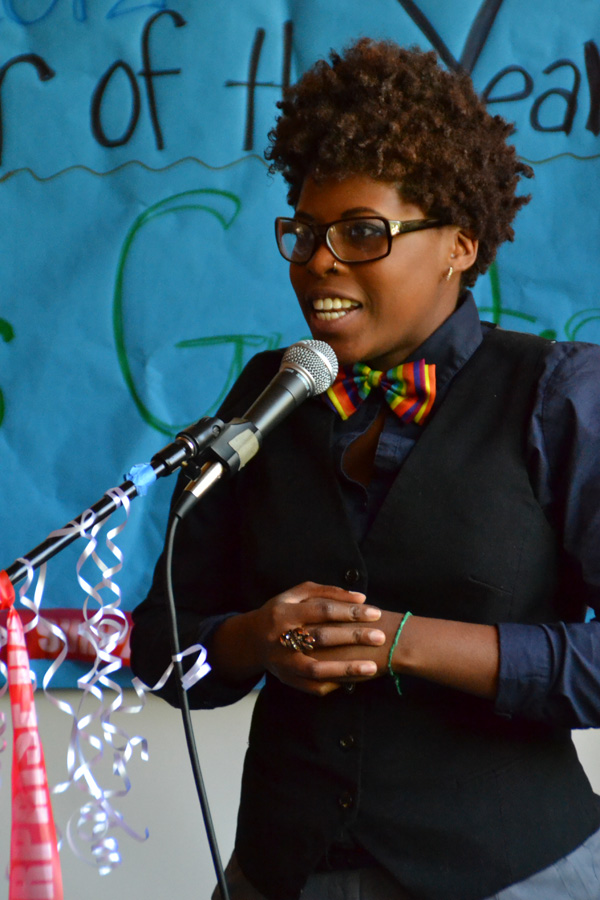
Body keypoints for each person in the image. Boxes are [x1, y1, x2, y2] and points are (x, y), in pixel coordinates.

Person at [130, 38, 600, 900]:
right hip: (283, 872)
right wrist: (255, 638)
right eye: (305, 232)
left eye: (361, 232)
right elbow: (161, 644)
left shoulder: (557, 396)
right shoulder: (269, 393)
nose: (319, 259)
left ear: (459, 245)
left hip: (512, 874)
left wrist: (404, 643)